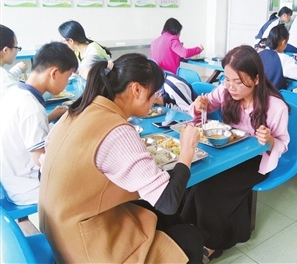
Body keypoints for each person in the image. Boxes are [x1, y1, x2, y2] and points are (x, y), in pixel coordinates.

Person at [39, 53, 204, 263]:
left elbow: (42, 171)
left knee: (152, 213)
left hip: (56, 229)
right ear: (136, 89)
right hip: (81, 247)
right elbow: (168, 201)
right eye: (154, 94)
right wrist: (187, 150)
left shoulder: (75, 111)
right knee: (190, 236)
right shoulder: (117, 130)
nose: (155, 100)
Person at [180, 45, 290, 260]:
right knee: (196, 179)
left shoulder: (275, 107)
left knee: (209, 192)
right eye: (227, 79)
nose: (230, 86)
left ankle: (213, 243)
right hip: (228, 153)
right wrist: (200, 104)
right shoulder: (226, 90)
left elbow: (283, 143)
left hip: (256, 161)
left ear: (256, 79)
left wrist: (269, 140)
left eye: (238, 82)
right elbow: (207, 102)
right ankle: (190, 229)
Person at [1, 42, 78, 205]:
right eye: (68, 76)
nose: (67, 82)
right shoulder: (31, 108)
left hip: (12, 178)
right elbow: (42, 161)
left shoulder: (15, 92)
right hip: (29, 188)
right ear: (55, 73)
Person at [0, 24, 28, 97]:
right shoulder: (5, 79)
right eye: (16, 47)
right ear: (6, 50)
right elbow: (24, 100)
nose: (17, 50)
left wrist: (17, 69)